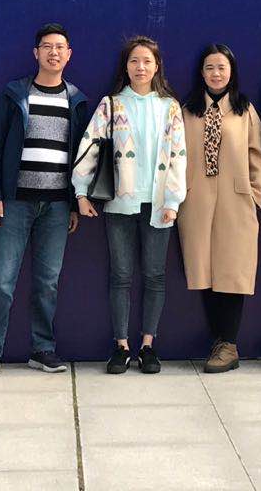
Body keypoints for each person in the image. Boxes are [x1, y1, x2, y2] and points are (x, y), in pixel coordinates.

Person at [0, 23, 90, 376]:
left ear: (69, 54)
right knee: (3, 281)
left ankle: (42, 349)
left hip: (57, 207)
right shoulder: (15, 94)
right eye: (47, 46)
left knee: (47, 282)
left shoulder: (77, 100)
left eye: (60, 47)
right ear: (36, 53)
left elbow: (82, 157)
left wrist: (74, 202)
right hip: (15, 203)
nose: (53, 53)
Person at [73, 35, 187, 374]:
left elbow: (179, 155)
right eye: (134, 61)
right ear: (125, 66)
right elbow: (90, 145)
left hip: (159, 204)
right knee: (120, 275)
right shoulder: (111, 104)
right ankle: (121, 346)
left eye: (147, 61)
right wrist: (81, 192)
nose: (141, 67)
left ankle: (148, 346)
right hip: (120, 204)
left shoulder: (170, 106)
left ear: (157, 66)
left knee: (154, 275)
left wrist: (174, 200)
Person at [178, 44, 261, 372]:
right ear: (201, 73)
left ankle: (229, 344)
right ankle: (219, 340)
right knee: (205, 269)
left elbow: (258, 156)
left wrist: (253, 195)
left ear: (232, 71)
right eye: (210, 68)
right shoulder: (187, 110)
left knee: (232, 270)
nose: (216, 74)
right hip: (196, 201)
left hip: (236, 201)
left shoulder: (245, 111)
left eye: (222, 67)